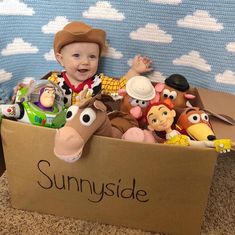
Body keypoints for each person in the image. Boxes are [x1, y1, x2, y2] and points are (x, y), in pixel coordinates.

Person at [45, 21, 153, 107]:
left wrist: (134, 71)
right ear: (61, 59)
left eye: (92, 56)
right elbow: (41, 98)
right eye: (76, 55)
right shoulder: (54, 81)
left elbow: (121, 87)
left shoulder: (99, 83)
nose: (85, 62)